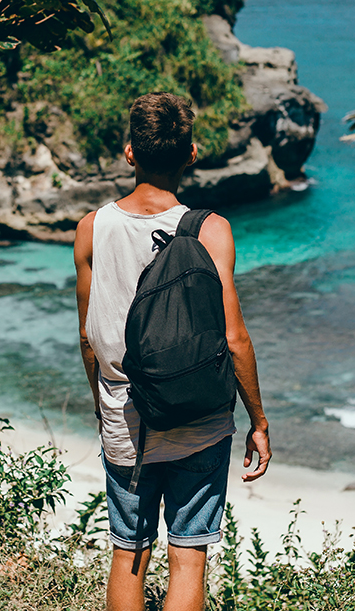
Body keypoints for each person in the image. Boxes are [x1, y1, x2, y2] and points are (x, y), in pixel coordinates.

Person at [74, 92, 271, 611]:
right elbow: (234, 339)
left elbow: (88, 338)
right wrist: (259, 421)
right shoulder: (211, 229)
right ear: (191, 153)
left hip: (125, 413)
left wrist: (102, 406)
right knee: (188, 557)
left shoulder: (92, 229)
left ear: (129, 152)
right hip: (199, 416)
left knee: (128, 554)